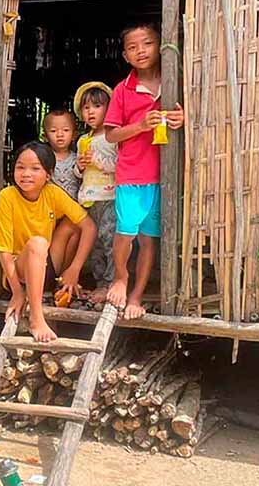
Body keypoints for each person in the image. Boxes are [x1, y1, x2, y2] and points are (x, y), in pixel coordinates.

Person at [102, 24, 184, 319]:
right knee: (126, 233)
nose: (141, 51)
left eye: (147, 43)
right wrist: (139, 125)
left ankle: (136, 295)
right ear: (125, 55)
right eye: (133, 47)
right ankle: (121, 277)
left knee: (150, 238)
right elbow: (111, 135)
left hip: (165, 177)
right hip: (133, 174)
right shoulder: (123, 91)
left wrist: (183, 117)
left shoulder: (175, 83)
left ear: (159, 46)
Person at [0, 142, 97, 342]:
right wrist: (18, 293)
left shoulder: (52, 193)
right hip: (20, 273)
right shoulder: (7, 196)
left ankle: (62, 282)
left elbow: (89, 226)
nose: (26, 174)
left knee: (73, 225)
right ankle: (37, 317)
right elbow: (3, 250)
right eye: (20, 167)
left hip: (48, 267)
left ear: (49, 174)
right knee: (37, 243)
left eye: (35, 168)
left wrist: (74, 269)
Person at [72, 82, 119, 293]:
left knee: (110, 241)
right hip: (89, 200)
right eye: (86, 107)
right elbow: (78, 174)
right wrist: (79, 168)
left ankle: (112, 283)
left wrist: (98, 160)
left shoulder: (113, 137)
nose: (90, 111)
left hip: (109, 198)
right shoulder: (83, 140)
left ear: (109, 109)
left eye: (97, 106)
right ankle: (101, 283)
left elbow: (120, 166)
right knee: (95, 245)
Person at [43, 108, 80, 199]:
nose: (60, 134)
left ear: (74, 135)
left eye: (66, 130)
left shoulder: (78, 159)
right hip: (51, 207)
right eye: (53, 131)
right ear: (45, 137)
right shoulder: (43, 159)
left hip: (74, 208)